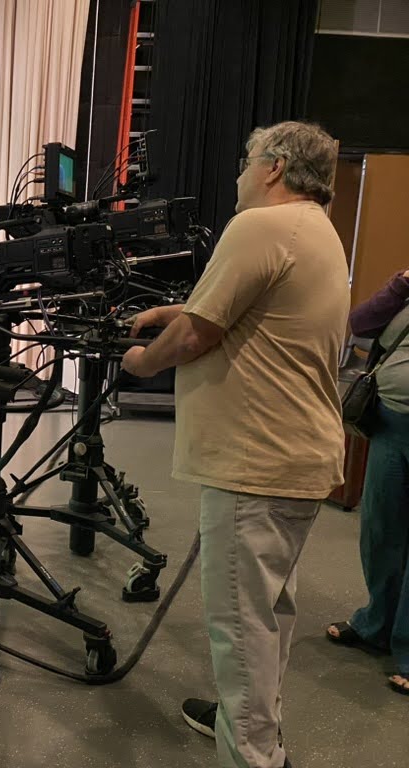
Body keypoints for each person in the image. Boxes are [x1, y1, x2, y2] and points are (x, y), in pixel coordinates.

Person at [122, 121, 349, 768]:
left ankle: (254, 755)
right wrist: (181, 314)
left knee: (241, 627)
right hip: (295, 458)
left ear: (275, 166)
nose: (238, 174)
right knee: (270, 615)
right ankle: (251, 725)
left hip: (256, 463)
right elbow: (242, 314)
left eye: (248, 161)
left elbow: (196, 338)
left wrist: (140, 363)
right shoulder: (314, 230)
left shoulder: (261, 227)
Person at [326, 268, 409, 696]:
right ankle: (376, 624)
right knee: (380, 531)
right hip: (392, 423)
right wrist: (401, 284)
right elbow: (361, 324)